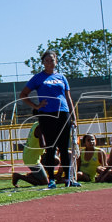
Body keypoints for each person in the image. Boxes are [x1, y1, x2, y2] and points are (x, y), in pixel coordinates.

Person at [19, 50, 77, 185]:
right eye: (47, 60)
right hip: (47, 114)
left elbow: (68, 97)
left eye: (52, 60)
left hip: (63, 113)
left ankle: (68, 178)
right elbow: (23, 94)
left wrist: (73, 116)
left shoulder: (62, 77)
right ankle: (51, 179)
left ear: (56, 61)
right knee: (50, 147)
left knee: (64, 147)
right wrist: (36, 106)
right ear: (43, 63)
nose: (49, 63)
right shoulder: (38, 78)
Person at [12, 122, 48, 187]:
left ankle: (34, 175)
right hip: (32, 158)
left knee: (55, 160)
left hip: (32, 154)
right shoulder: (39, 128)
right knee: (45, 183)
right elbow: (43, 145)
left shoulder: (36, 124)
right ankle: (19, 176)